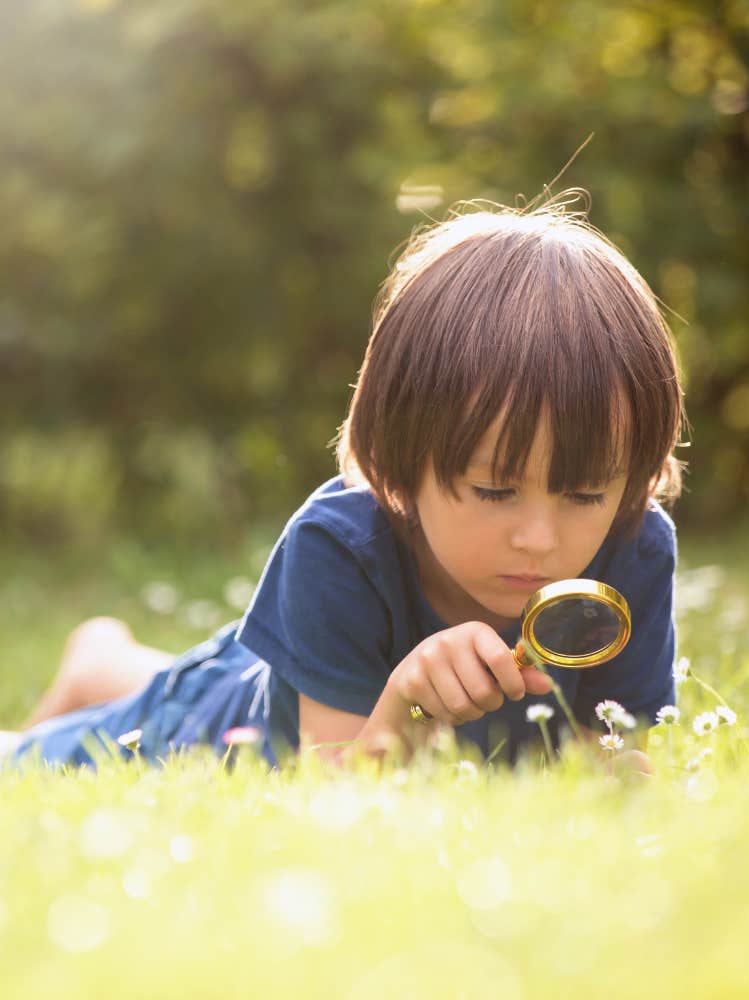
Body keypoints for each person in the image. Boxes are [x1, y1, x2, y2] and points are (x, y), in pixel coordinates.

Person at [2, 192, 685, 772]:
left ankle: (104, 664)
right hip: (223, 728)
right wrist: (410, 703)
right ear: (396, 462)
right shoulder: (339, 547)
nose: (539, 540)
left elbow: (605, 759)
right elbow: (337, 810)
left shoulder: (635, 547)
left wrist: (616, 783)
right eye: (495, 491)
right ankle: (109, 676)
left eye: (587, 494)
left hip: (278, 673)